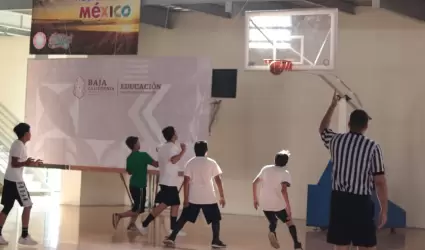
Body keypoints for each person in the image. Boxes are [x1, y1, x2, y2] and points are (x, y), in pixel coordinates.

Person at [319, 91, 388, 250]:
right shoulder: (373, 147)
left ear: (349, 123)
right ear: (366, 126)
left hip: (339, 201)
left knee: (341, 245)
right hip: (361, 203)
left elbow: (323, 129)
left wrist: (332, 106)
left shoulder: (336, 141)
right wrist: (384, 210)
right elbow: (380, 182)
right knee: (365, 245)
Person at [163, 140, 226, 248]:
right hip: (209, 197)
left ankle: (172, 237)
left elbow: (186, 182)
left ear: (195, 150)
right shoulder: (211, 162)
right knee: (215, 219)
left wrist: (186, 199)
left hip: (194, 197)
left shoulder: (190, 163)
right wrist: (222, 196)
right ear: (206, 150)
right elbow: (218, 180)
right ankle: (215, 240)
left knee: (183, 218)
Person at [0, 123, 43, 245]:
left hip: (11, 179)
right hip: (15, 181)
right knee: (28, 205)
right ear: (25, 134)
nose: (31, 134)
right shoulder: (18, 145)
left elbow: (20, 162)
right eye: (29, 132)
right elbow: (15, 163)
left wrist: (31, 163)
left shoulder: (19, 145)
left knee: (7, 208)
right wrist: (26, 163)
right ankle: (24, 236)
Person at [140, 126, 186, 235]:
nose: (176, 133)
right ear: (173, 135)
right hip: (169, 181)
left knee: (174, 204)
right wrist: (183, 151)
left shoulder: (163, 147)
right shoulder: (172, 148)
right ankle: (145, 224)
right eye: (175, 132)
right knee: (164, 205)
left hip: (166, 180)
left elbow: (159, 150)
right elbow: (174, 160)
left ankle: (172, 229)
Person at [252, 150, 303, 250]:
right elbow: (284, 191)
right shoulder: (285, 173)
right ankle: (297, 244)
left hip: (265, 203)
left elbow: (254, 183)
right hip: (277, 204)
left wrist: (255, 199)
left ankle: (272, 232)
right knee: (289, 222)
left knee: (273, 221)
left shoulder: (265, 169)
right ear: (286, 162)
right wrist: (288, 208)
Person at [112, 136, 158, 231]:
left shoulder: (129, 158)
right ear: (134, 145)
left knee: (136, 206)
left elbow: (129, 172)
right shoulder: (144, 155)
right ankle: (119, 215)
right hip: (140, 186)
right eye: (138, 142)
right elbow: (156, 164)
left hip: (133, 185)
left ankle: (132, 224)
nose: (139, 144)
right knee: (139, 209)